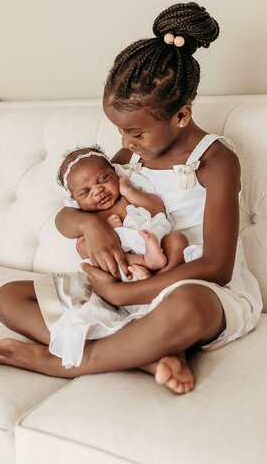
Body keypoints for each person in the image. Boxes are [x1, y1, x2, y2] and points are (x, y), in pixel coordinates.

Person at [0, 1, 263, 395]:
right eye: (120, 131)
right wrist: (89, 225)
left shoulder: (216, 160)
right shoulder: (131, 156)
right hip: (129, 283)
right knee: (8, 298)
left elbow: (218, 266)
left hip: (192, 286)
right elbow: (69, 216)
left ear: (181, 115)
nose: (124, 144)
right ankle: (148, 355)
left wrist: (121, 293)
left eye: (135, 133)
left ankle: (69, 361)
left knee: (188, 308)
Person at [48, 144, 189, 368]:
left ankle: (159, 274)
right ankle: (144, 266)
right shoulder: (88, 216)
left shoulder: (130, 194)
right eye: (85, 192)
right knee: (86, 250)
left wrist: (130, 192)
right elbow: (82, 246)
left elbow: (156, 208)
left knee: (179, 241)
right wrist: (103, 227)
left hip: (155, 247)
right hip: (122, 265)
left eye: (103, 180)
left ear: (116, 174)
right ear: (75, 200)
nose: (97, 191)